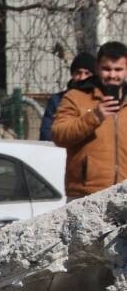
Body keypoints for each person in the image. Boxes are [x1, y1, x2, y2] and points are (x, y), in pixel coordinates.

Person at [51, 41, 127, 200]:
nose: (112, 75)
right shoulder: (76, 96)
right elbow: (59, 134)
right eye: (106, 69)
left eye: (118, 69)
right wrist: (95, 116)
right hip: (86, 194)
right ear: (97, 67)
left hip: (124, 194)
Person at [40, 52, 96, 141]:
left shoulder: (98, 100)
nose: (82, 77)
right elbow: (46, 133)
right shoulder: (57, 100)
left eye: (87, 73)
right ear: (72, 74)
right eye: (78, 73)